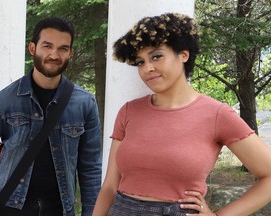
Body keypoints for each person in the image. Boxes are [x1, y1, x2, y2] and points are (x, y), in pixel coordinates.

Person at [92, 12, 271, 216]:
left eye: (156, 56)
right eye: (140, 62)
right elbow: (109, 187)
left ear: (183, 54)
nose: (147, 68)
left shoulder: (217, 114)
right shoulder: (128, 111)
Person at [0, 16, 102, 216]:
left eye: (63, 48)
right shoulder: (5, 100)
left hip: (59, 210)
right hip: (9, 208)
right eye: (47, 46)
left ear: (70, 53)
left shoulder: (85, 103)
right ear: (32, 48)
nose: (54, 55)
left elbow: (90, 169)